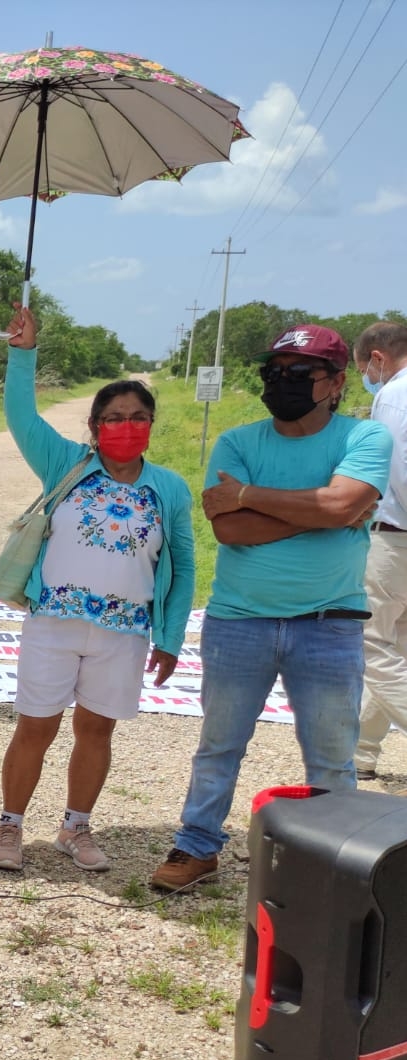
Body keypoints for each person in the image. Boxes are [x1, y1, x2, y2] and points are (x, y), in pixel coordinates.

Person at [152, 323, 391, 892]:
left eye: (299, 374)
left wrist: (251, 495)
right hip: (240, 621)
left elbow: (339, 505)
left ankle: (334, 862)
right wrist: (322, 509)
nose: (281, 382)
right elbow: (230, 528)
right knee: (219, 745)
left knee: (332, 759)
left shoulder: (366, 439)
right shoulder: (237, 442)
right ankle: (197, 845)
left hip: (329, 624)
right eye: (274, 373)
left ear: (335, 382)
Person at [0, 305, 195, 874]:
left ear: (152, 423)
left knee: (96, 728)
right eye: (115, 417)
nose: (126, 426)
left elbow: (183, 565)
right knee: (36, 726)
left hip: (123, 633)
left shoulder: (169, 489)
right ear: (95, 426)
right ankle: (10, 826)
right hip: (54, 622)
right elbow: (21, 415)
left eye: (138, 416)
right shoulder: (66, 464)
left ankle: (75, 827)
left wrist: (171, 637)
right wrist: (22, 352)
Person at [351, 322, 407, 781]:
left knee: (371, 647)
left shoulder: (392, 395)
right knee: (396, 641)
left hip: (395, 535)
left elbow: (394, 468)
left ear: (377, 358)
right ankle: (362, 752)